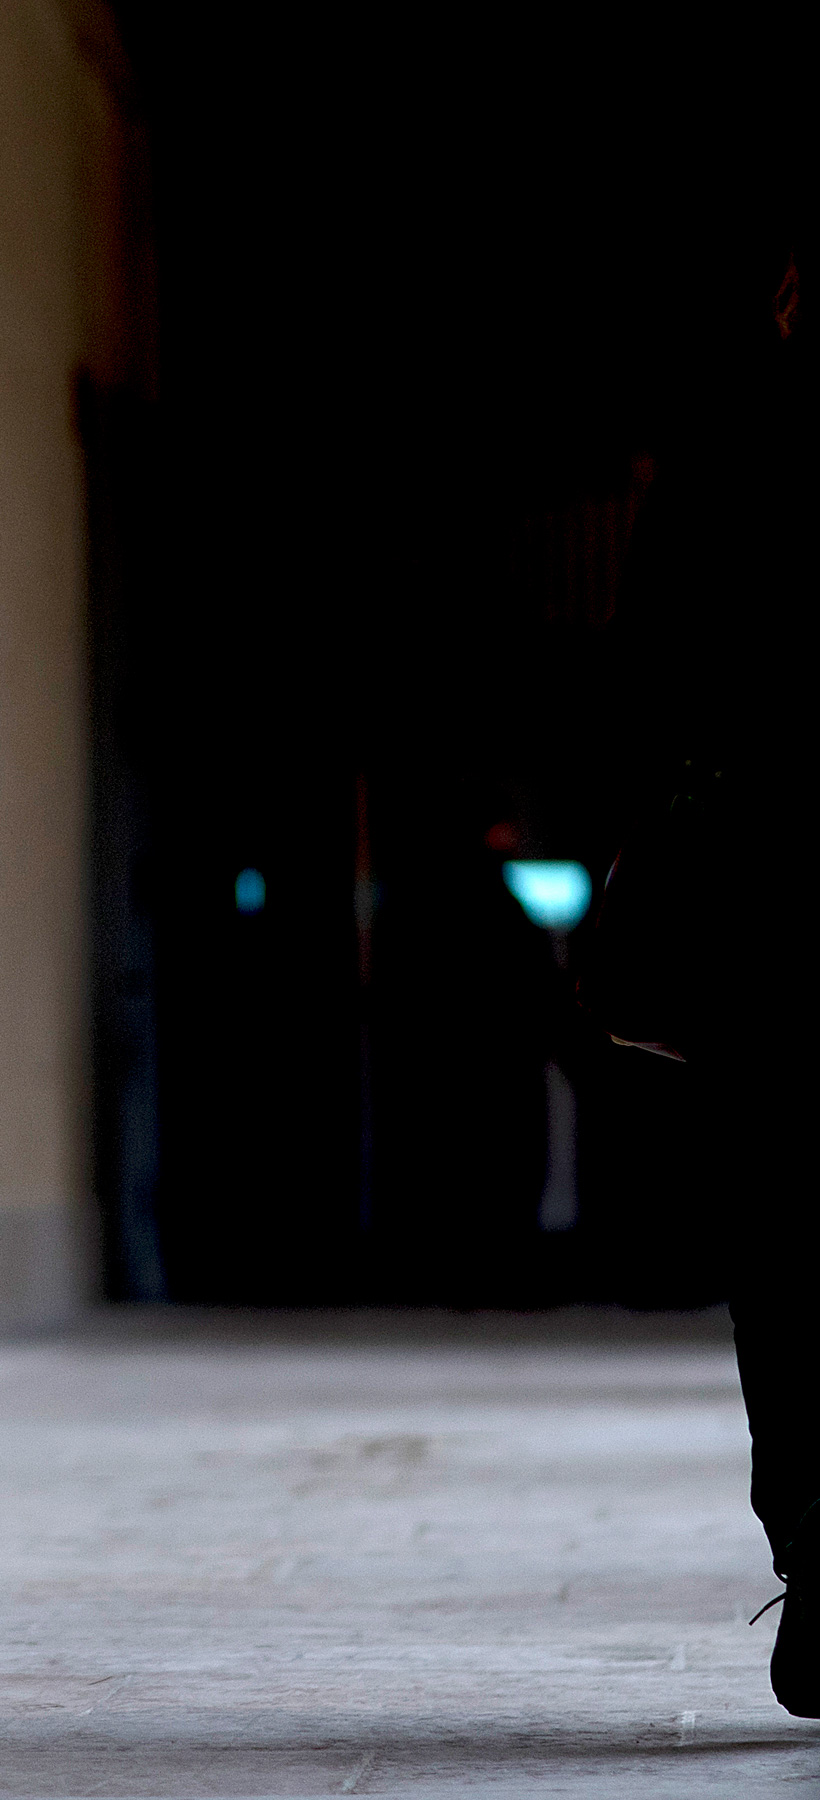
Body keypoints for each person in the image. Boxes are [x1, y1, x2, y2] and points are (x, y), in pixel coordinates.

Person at [600, 219, 818, 1714]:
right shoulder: (724, 463)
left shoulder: (724, 464)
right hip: (770, 911)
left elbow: (640, 687)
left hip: (767, 915)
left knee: (787, 1260)